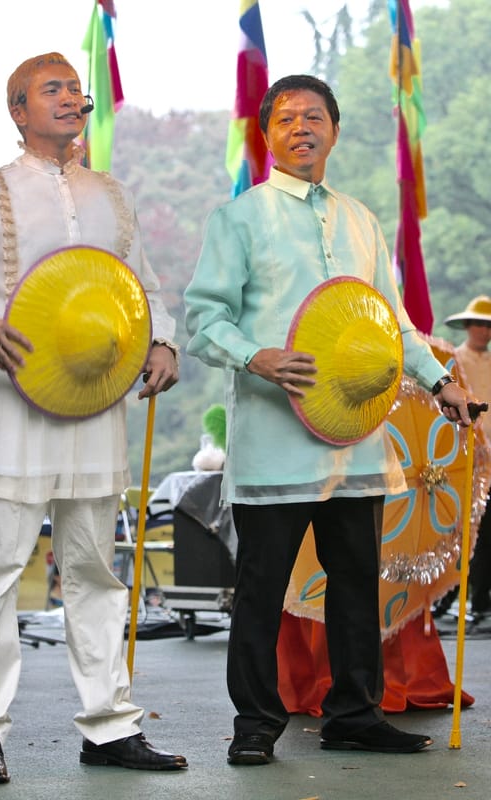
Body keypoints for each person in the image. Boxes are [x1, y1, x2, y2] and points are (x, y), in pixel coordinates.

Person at [0, 52, 186, 784]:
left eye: (75, 88)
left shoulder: (112, 198)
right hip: (7, 409)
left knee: (95, 567)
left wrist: (163, 339)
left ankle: (109, 725)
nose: (70, 98)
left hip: (95, 406)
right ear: (18, 110)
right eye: (51, 89)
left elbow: (143, 288)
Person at [184, 74, 474, 767]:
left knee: (355, 582)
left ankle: (355, 713)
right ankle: (255, 724)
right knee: (261, 587)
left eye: (314, 117)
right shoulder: (240, 218)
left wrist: (441, 382)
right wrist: (258, 357)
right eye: (285, 119)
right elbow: (202, 318)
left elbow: (394, 323)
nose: (301, 128)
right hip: (273, 439)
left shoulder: (360, 220)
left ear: (335, 131)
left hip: (356, 436)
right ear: (267, 135)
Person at [443, 296, 491, 616]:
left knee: (486, 531)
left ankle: (480, 598)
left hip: (490, 457)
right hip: (465, 455)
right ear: (467, 326)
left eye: (488, 325)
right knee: (457, 526)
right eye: (478, 324)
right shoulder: (452, 362)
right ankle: (445, 595)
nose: (483, 331)